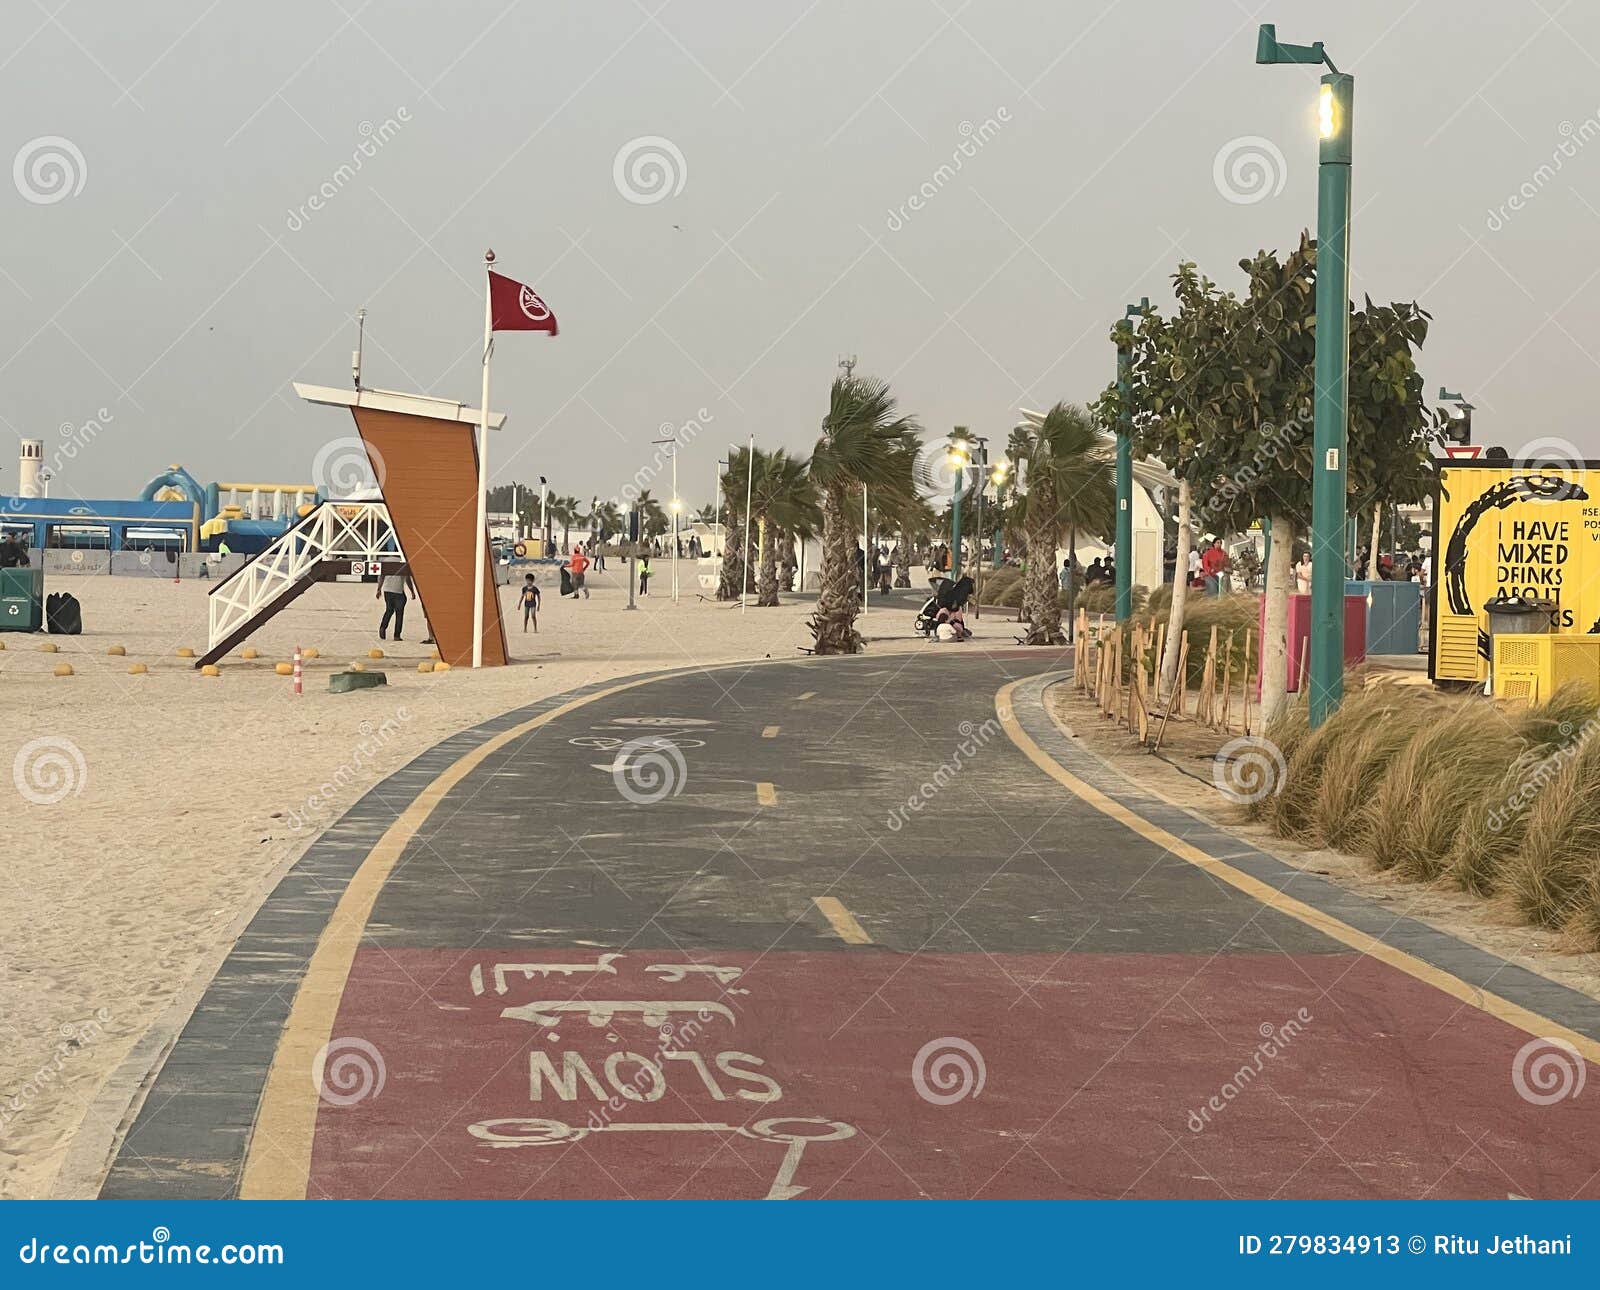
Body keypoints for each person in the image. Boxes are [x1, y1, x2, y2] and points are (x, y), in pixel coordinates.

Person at [376, 565, 415, 641]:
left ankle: (383, 627)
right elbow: (407, 579)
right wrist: (412, 591)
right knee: (399, 614)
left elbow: (382, 576)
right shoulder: (402, 564)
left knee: (389, 610)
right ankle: (397, 635)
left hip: (387, 590)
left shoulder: (386, 563)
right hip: (398, 591)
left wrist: (379, 589)